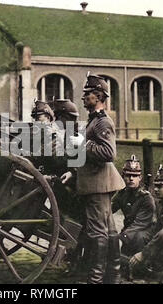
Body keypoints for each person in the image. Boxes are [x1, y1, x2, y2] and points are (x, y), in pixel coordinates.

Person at [61, 72, 125, 284]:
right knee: (108, 229)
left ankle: (96, 280)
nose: (83, 98)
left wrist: (83, 144)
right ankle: (113, 275)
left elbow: (108, 154)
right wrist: (74, 172)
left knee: (98, 231)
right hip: (95, 181)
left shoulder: (103, 123)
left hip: (98, 184)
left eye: (87, 94)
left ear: (98, 96)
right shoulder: (94, 121)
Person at [111, 155, 156, 278]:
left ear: (140, 178)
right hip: (130, 232)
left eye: (135, 175)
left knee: (139, 268)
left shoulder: (146, 198)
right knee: (121, 261)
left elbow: (140, 224)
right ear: (123, 176)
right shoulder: (122, 194)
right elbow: (109, 210)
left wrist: (122, 237)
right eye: (128, 175)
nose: (131, 178)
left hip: (145, 234)